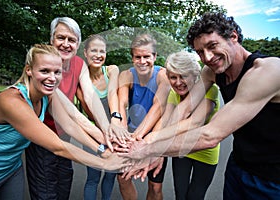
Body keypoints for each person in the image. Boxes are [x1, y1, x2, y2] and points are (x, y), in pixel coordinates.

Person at [120, 12, 280, 199]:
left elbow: (210, 134)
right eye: (200, 52)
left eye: (212, 46)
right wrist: (149, 141)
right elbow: (184, 109)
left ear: (233, 37)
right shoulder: (211, 72)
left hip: (272, 178)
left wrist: (149, 150)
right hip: (239, 165)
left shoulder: (268, 71)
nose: (208, 57)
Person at [0, 44, 129, 200]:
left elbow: (70, 126)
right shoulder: (11, 101)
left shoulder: (48, 95)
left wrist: (104, 149)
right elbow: (58, 147)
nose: (52, 78)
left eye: (57, 72)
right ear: (29, 70)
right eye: (44, 71)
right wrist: (106, 164)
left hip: (11, 169)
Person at [25, 17, 124, 200]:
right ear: (51, 40)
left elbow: (91, 97)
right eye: (60, 38)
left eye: (71, 40)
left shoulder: (79, 64)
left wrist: (107, 128)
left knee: (64, 183)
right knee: (46, 192)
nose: (65, 44)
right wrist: (104, 144)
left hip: (65, 134)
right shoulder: (46, 69)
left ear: (78, 44)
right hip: (43, 136)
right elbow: (74, 116)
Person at [117, 33, 170, 200]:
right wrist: (125, 136)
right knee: (123, 178)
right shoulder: (127, 75)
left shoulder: (163, 75)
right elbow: (122, 104)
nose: (142, 61)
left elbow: (158, 107)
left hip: (155, 135)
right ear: (132, 58)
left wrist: (138, 137)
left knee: (155, 186)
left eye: (146, 56)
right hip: (131, 134)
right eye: (137, 57)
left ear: (154, 56)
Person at [76, 34, 127, 200]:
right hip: (93, 132)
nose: (98, 55)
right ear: (85, 52)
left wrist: (115, 120)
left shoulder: (112, 70)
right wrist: (105, 132)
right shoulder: (80, 81)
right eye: (94, 50)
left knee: (111, 174)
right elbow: (90, 111)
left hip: (115, 128)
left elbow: (113, 93)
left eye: (102, 51)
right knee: (93, 177)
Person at [163, 51, 220, 200]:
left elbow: (195, 122)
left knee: (195, 196)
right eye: (173, 77)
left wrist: (153, 144)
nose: (178, 82)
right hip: (181, 147)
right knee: (180, 195)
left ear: (195, 75)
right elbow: (168, 122)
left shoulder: (210, 90)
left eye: (183, 76)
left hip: (205, 151)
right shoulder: (173, 93)